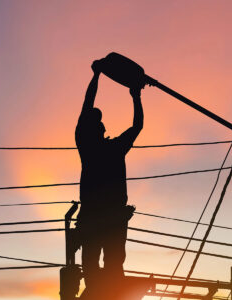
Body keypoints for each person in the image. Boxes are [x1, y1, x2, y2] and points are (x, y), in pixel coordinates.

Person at [75, 59, 144, 293]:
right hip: (106, 218)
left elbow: (136, 127)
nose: (95, 123)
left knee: (103, 267)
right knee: (103, 267)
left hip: (102, 219)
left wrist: (97, 75)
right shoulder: (105, 147)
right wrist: (135, 96)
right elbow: (137, 126)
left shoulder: (94, 146)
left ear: (101, 129)